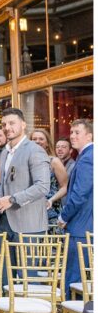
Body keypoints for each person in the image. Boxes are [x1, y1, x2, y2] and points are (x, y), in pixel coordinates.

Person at [0, 107, 51, 285]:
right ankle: (3, 311)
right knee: (2, 277)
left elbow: (42, 187)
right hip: (3, 222)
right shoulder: (4, 152)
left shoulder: (35, 150)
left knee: (28, 279)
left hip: (29, 223)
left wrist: (11, 199)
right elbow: (2, 182)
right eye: (4, 124)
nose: (7, 127)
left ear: (23, 124)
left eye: (11, 123)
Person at [58, 120, 93, 297]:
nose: (72, 136)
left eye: (77, 132)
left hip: (81, 225)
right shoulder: (86, 156)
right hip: (84, 224)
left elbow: (79, 195)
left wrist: (63, 217)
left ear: (90, 135)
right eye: (71, 132)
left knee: (73, 275)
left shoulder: (88, 158)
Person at [30, 129, 68, 224]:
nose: (37, 141)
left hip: (50, 211)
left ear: (47, 143)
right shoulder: (25, 162)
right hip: (29, 212)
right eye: (34, 139)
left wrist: (51, 200)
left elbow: (65, 187)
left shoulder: (54, 161)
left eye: (41, 139)